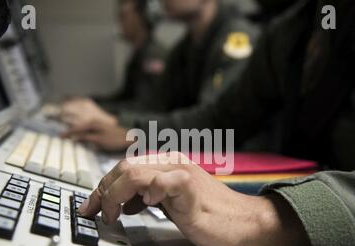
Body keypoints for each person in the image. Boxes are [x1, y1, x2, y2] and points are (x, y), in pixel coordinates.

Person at [78, 0, 355, 246]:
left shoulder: (242, 33)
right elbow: (222, 118)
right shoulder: (296, 27)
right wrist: (134, 131)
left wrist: (263, 217)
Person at [60, 0, 260, 151]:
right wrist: (119, 121)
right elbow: (155, 106)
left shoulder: (237, 39)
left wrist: (131, 129)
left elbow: (214, 124)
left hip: (241, 161)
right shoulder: (183, 49)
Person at [61, 0, 167, 124]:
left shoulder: (153, 56)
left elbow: (144, 108)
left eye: (123, 16)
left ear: (142, 17)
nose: (120, 22)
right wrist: (90, 102)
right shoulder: (141, 52)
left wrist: (97, 110)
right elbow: (124, 97)